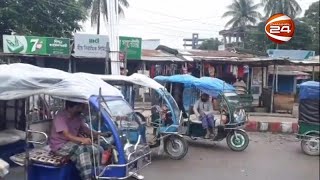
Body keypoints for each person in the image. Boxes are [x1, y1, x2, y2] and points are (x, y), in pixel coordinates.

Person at [49, 100, 106, 180]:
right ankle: (87, 177)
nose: (80, 108)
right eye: (78, 107)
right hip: (60, 146)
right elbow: (67, 135)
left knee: (98, 149)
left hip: (72, 143)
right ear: (70, 107)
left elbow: (86, 130)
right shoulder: (60, 117)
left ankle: (95, 174)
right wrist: (82, 140)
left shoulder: (77, 117)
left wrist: (99, 134)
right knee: (82, 150)